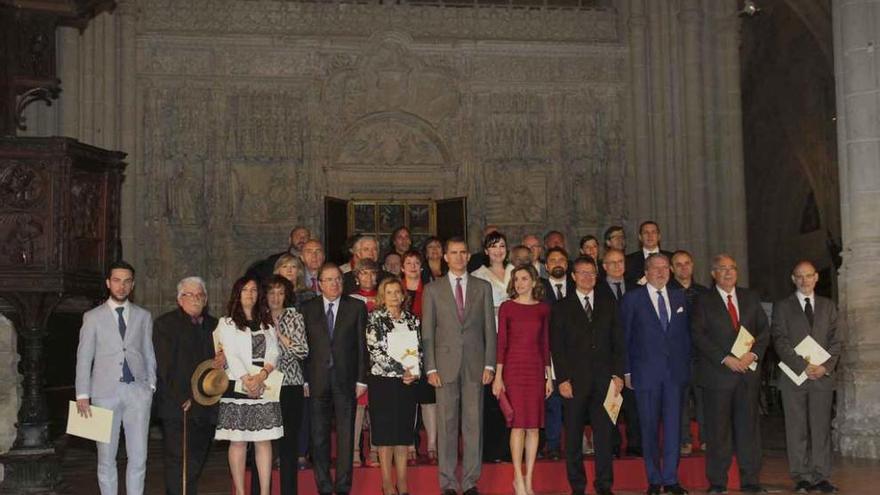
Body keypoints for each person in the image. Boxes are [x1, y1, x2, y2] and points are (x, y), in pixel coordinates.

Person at [422, 237, 497, 495]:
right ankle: (448, 482)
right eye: (452, 252)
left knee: (473, 423)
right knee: (447, 423)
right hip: (444, 365)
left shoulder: (483, 287)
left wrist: (490, 363)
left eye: (463, 252)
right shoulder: (433, 290)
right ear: (445, 256)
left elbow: (490, 329)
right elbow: (428, 332)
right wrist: (430, 368)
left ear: (468, 256)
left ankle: (470, 481)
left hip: (476, 364)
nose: (458, 257)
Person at [75, 260, 156, 495]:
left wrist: (149, 385)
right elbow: (84, 357)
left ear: (133, 285)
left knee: (139, 457)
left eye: (127, 281)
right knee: (106, 458)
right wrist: (83, 394)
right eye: (117, 281)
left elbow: (148, 352)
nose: (122, 286)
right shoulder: (92, 317)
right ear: (108, 283)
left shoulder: (143, 316)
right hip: (103, 394)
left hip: (137, 393)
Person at [691, 254, 770, 494]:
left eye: (732, 268)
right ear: (713, 273)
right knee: (718, 433)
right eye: (722, 269)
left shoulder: (750, 297)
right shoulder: (703, 301)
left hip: (747, 375)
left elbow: (764, 331)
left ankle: (750, 481)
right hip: (718, 376)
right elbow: (698, 336)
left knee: (749, 431)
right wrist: (726, 359)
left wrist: (752, 355)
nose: (728, 272)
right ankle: (717, 482)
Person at [550, 256, 625, 495]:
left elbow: (618, 342)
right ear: (573, 276)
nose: (587, 277)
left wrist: (618, 374)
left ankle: (604, 485)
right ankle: (578, 486)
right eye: (582, 272)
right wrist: (561, 379)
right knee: (573, 437)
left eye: (591, 273)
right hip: (574, 382)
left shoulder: (608, 302)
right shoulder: (562, 306)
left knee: (604, 437)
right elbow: (557, 347)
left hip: (605, 381)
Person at [620, 254, 691, 495]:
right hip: (645, 374)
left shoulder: (680, 297)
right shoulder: (632, 299)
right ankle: (653, 479)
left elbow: (686, 338)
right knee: (648, 429)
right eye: (655, 268)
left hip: (675, 375)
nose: (661, 272)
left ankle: (671, 479)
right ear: (646, 272)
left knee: (673, 429)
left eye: (664, 268)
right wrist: (627, 370)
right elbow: (625, 338)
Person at [771, 261, 841, 494]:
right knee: (796, 428)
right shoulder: (782, 307)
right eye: (799, 277)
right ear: (793, 279)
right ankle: (801, 476)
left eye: (808, 276)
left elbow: (836, 341)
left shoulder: (829, 306)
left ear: (816, 278)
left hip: (822, 377)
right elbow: (779, 340)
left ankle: (821, 476)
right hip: (794, 377)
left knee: (821, 428)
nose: (804, 280)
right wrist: (802, 365)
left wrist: (825, 366)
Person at [302, 263, 368, 495]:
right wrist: (305, 380)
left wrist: (362, 380)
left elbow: (362, 346)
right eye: (329, 280)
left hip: (346, 380)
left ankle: (342, 486)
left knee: (345, 435)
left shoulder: (356, 307)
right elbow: (304, 348)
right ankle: (323, 485)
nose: (334, 284)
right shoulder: (307, 308)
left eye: (338, 279)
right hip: (316, 380)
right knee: (318, 436)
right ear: (320, 284)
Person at [214, 276, 283, 495]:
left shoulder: (267, 321)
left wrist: (262, 375)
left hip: (263, 385)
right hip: (237, 385)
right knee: (238, 440)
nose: (250, 294)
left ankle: (264, 492)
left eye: (254, 290)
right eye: (245, 290)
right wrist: (247, 380)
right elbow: (231, 354)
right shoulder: (226, 323)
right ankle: (241, 492)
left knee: (263, 440)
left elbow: (274, 351)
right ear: (237, 293)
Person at [154, 276, 218, 495]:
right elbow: (164, 367)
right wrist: (183, 396)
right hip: (178, 404)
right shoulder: (165, 324)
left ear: (206, 299)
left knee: (197, 459)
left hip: (207, 405)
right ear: (179, 299)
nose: (195, 299)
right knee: (177, 461)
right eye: (189, 295)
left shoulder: (215, 325)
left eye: (200, 295)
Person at [492, 265, 552, 495]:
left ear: (534, 281)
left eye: (524, 279)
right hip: (513, 370)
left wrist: (549, 376)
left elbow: (546, 344)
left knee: (534, 428)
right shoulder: (507, 307)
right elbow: (501, 344)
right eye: (516, 279)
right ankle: (517, 477)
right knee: (517, 426)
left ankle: (529, 479)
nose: (519, 283)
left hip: (536, 369)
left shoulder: (543, 309)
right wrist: (498, 376)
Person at [366, 277, 422, 495]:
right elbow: (375, 351)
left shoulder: (412, 319)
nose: (394, 296)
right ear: (382, 295)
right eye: (389, 292)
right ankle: (387, 483)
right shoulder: (375, 318)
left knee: (403, 434)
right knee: (385, 433)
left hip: (407, 383)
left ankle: (403, 481)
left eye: (397, 292)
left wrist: (414, 372)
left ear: (402, 294)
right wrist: (401, 370)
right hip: (383, 382)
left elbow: (419, 349)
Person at [469, 231, 514, 462]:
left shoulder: (516, 272)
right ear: (486, 251)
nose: (498, 250)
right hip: (489, 340)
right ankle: (491, 449)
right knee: (490, 396)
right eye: (493, 246)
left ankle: (511, 449)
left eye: (502, 245)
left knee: (513, 394)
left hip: (516, 340)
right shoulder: (477, 276)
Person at [265, 275, 309, 495]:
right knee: (263, 443)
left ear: (287, 295)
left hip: (290, 384)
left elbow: (302, 351)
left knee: (289, 443)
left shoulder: (295, 317)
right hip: (263, 386)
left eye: (280, 293)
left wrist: (279, 334)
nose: (275, 297)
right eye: (271, 292)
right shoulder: (257, 318)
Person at [597, 248, 642, 456]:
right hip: (607, 355)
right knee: (611, 401)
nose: (617, 266)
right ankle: (613, 444)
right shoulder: (595, 290)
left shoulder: (637, 289)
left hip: (634, 354)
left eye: (620, 262)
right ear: (604, 266)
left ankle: (635, 444)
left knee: (634, 404)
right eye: (612, 263)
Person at [272, 254, 313, 469]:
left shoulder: (306, 299)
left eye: (294, 267)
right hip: (268, 375)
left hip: (295, 371)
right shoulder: (264, 309)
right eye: (284, 266)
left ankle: (299, 453)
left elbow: (306, 345)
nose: (289, 270)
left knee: (296, 417)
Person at [667, 250, 709, 455]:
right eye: (679, 264)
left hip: (702, 355)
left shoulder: (705, 293)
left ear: (692, 266)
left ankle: (706, 438)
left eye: (687, 263)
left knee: (703, 399)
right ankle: (683, 439)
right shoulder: (665, 292)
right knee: (680, 400)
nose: (684, 267)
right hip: (677, 356)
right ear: (672, 269)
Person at [537, 246, 572, 460]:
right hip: (548, 351)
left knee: (574, 402)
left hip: (575, 353)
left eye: (561, 259)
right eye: (552, 260)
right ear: (546, 265)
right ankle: (552, 445)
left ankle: (574, 443)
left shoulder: (579, 285)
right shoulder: (538, 289)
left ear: (567, 264)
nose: (557, 263)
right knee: (552, 401)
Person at [402, 250, 437, 464]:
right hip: (403, 351)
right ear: (402, 268)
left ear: (422, 267)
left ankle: (432, 445)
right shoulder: (396, 290)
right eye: (409, 263)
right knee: (408, 400)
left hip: (427, 348)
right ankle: (409, 444)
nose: (413, 266)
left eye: (417, 263)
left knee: (428, 399)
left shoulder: (431, 290)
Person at [349, 259, 380, 468]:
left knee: (377, 405)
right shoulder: (349, 299)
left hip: (379, 358)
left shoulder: (383, 296)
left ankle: (376, 449)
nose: (368, 277)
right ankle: (355, 449)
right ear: (356, 276)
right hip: (357, 357)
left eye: (371, 273)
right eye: (363, 273)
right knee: (358, 406)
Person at [247, 226, 312, 281]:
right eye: (297, 236)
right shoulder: (275, 260)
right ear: (290, 240)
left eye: (306, 236)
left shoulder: (315, 261)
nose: (302, 239)